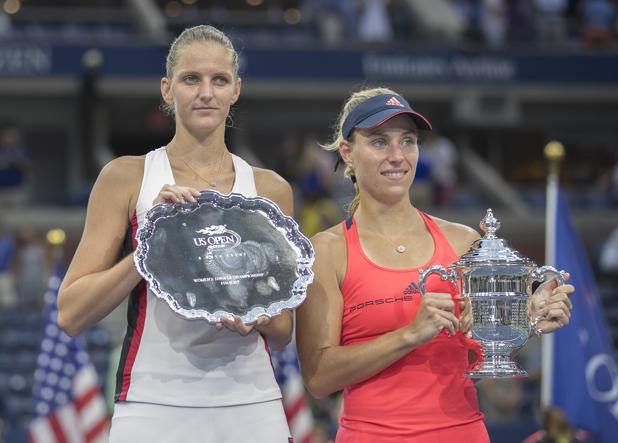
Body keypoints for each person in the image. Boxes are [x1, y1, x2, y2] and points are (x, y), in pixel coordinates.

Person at [295, 87, 575, 442]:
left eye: (408, 141)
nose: (398, 156)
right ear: (348, 152)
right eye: (380, 142)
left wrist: (528, 318)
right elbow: (319, 377)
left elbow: (483, 353)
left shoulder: (462, 241)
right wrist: (411, 334)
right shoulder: (328, 251)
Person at [57, 25, 294, 442]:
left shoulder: (270, 190)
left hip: (251, 401)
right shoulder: (126, 178)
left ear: (236, 89)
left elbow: (282, 331)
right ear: (167, 90)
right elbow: (71, 314)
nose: (206, 92)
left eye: (219, 80)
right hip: (153, 401)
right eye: (191, 79)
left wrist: (257, 318)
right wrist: (151, 244)